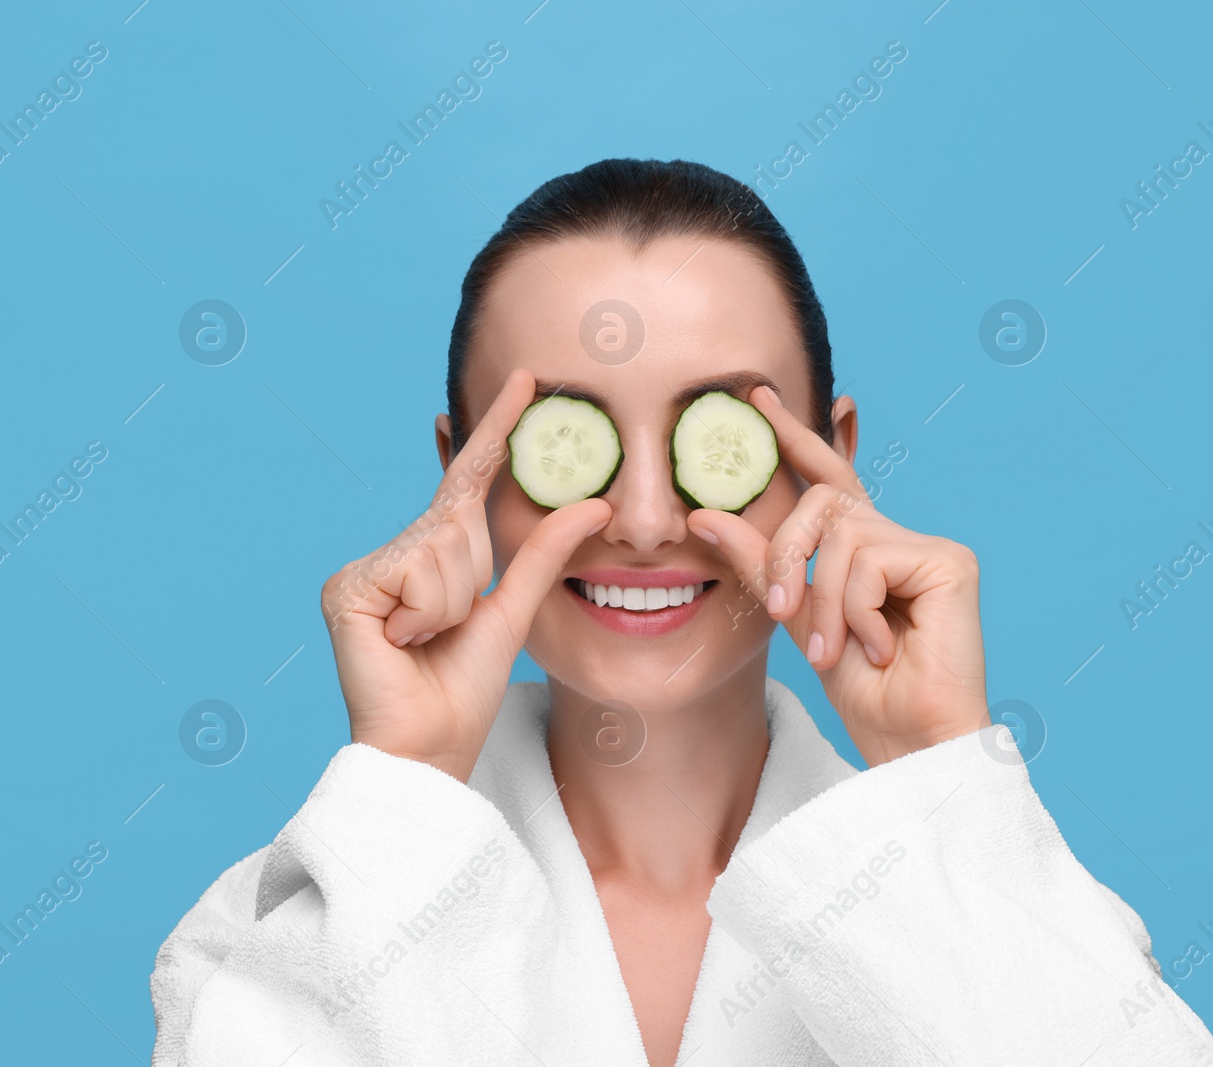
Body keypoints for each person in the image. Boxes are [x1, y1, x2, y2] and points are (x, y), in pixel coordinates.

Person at [148, 159, 1213, 1065]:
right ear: (458, 476)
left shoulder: (1042, 928)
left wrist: (935, 772)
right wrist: (408, 787)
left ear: (829, 462)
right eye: (567, 439)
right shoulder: (271, 933)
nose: (649, 519)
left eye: (716, 436)